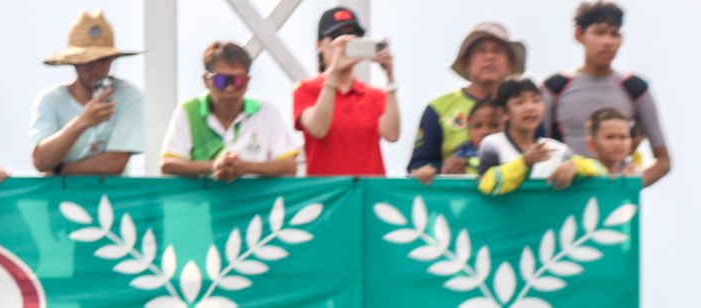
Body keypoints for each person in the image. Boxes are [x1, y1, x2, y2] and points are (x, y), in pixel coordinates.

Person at [542, 3, 670, 188]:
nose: (607, 42)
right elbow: (537, 149)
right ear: (579, 35)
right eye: (599, 33)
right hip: (564, 197)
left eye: (614, 34)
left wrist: (627, 186)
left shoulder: (635, 88)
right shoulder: (554, 87)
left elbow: (663, 161)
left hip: (613, 207)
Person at [160, 44, 298, 181]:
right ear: (206, 81)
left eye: (238, 81)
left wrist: (245, 167)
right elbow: (167, 164)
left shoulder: (266, 111)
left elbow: (289, 166)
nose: (230, 88)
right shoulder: (188, 110)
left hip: (253, 202)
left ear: (248, 81)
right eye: (221, 81)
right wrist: (214, 166)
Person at [30, 11, 144, 177]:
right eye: (89, 62)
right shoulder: (49, 100)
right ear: (74, 63)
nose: (97, 68)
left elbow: (115, 163)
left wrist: (61, 169)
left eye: (103, 60)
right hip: (59, 201)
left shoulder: (129, 95)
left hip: (112, 202)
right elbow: (41, 161)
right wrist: (83, 121)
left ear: (113, 60)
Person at [409, 22, 524, 184]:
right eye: (480, 50)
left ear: (510, 63)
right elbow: (417, 167)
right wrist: (442, 168)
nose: (489, 57)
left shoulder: (526, 107)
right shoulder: (438, 108)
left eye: (498, 50)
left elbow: (543, 157)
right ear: (465, 63)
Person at [294, 9, 400, 176]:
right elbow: (318, 129)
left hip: (368, 195)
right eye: (337, 39)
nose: (345, 47)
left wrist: (390, 77)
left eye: (354, 38)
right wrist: (334, 74)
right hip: (328, 195)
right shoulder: (305, 89)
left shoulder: (374, 94)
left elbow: (392, 134)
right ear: (319, 44)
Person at [475, 77, 577, 193]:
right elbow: (486, 184)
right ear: (503, 113)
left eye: (536, 100)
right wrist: (524, 163)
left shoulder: (558, 149)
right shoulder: (492, 144)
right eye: (520, 102)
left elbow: (596, 169)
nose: (530, 108)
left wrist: (575, 167)